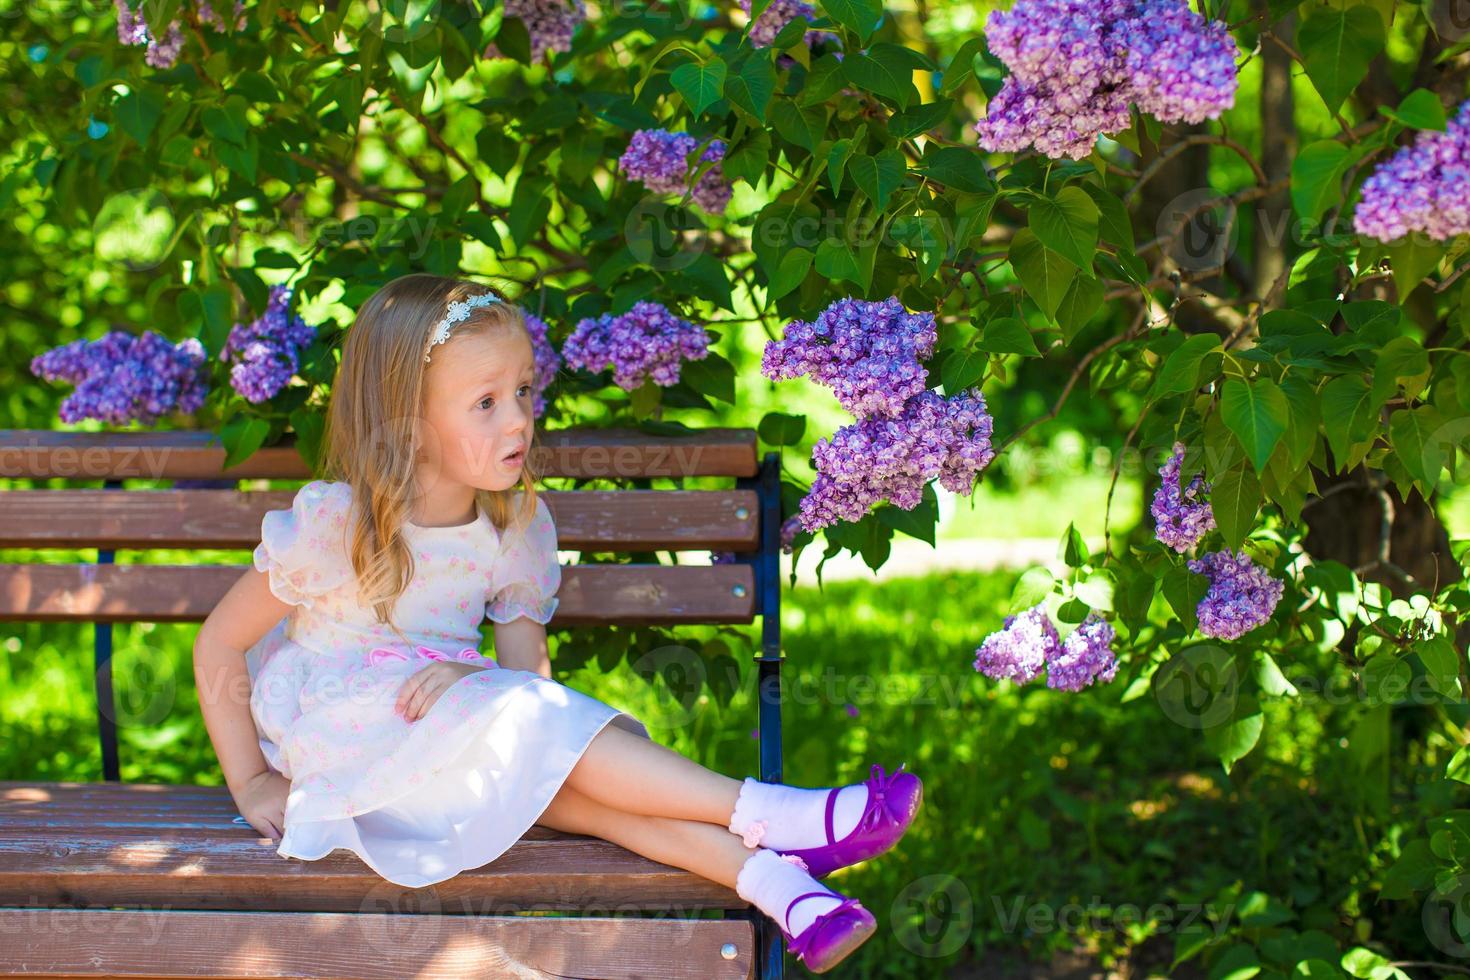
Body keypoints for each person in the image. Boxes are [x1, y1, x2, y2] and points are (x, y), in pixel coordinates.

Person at [192, 272, 924, 973]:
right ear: (408, 427)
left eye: (522, 391)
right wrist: (253, 780)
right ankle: (778, 810)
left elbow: (529, 688)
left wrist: (472, 683)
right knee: (545, 751)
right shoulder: (339, 525)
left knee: (578, 791)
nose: (517, 419)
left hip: (448, 747)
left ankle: (787, 893)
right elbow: (220, 641)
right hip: (351, 754)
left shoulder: (510, 527)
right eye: (485, 403)